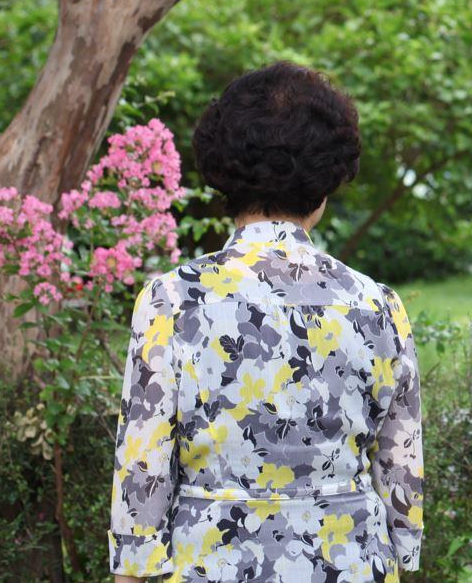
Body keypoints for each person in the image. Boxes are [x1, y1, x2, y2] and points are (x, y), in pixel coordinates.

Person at [109, 62, 422, 582]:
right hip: (348, 564)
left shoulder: (171, 300)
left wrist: (132, 571)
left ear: (224, 173)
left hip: (209, 563)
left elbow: (143, 467)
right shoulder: (377, 305)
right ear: (325, 181)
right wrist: (402, 551)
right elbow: (400, 466)